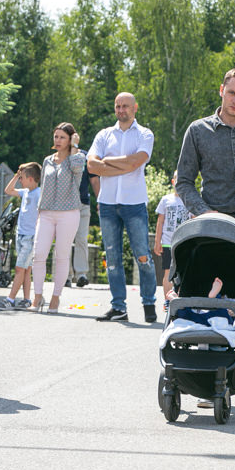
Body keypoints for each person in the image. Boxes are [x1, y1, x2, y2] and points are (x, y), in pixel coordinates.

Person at [87, 93, 156, 323]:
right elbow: (91, 164)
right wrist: (124, 165)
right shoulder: (104, 134)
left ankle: (148, 303)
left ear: (135, 107)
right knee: (113, 258)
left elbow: (138, 161)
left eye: (125, 106)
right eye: (117, 106)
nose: (121, 110)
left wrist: (108, 162)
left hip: (134, 204)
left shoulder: (145, 134)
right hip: (107, 203)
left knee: (143, 256)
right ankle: (119, 307)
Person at [30, 123, 86, 314]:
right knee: (38, 254)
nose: (58, 140)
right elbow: (44, 188)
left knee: (61, 256)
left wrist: (75, 146)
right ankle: (37, 296)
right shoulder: (47, 161)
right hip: (46, 213)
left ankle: (55, 298)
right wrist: (38, 213)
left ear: (70, 139)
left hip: (68, 213)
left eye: (62, 137)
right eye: (56, 136)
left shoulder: (76, 159)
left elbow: (78, 169)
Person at [176, 66, 235, 218]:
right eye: (231, 93)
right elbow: (183, 181)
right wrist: (204, 212)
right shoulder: (198, 130)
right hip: (215, 223)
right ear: (221, 90)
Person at [0, 162, 41, 311]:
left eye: (22, 178)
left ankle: (11, 299)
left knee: (19, 269)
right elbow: (8, 190)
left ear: (31, 179)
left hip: (30, 237)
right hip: (20, 234)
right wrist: (16, 175)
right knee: (26, 269)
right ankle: (27, 299)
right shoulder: (25, 191)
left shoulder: (39, 194)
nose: (21, 180)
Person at [67, 133, 100, 288]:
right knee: (64, 240)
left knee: (81, 238)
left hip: (82, 202)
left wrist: (100, 200)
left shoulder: (85, 156)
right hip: (64, 205)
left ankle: (81, 275)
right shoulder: (60, 157)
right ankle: (65, 275)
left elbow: (94, 180)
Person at [154, 171, 190, 310]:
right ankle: (167, 301)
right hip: (168, 242)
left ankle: (181, 299)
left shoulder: (189, 200)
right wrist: (158, 242)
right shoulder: (166, 200)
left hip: (184, 242)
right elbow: (160, 221)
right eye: (176, 178)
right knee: (168, 272)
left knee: (183, 271)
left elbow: (193, 220)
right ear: (172, 181)